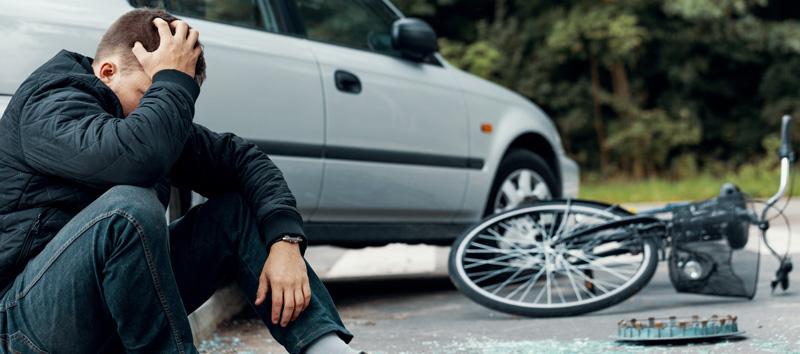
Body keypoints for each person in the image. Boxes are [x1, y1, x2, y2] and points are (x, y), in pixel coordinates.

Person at [0, 8, 360, 354]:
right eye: (148, 94)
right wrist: (172, 82)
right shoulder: (50, 104)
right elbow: (133, 161)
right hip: (24, 321)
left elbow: (243, 161)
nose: (157, 110)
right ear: (107, 72)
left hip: (105, 318)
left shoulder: (145, 129)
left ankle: (324, 347)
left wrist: (285, 242)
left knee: (234, 213)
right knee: (128, 208)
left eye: (165, 99)